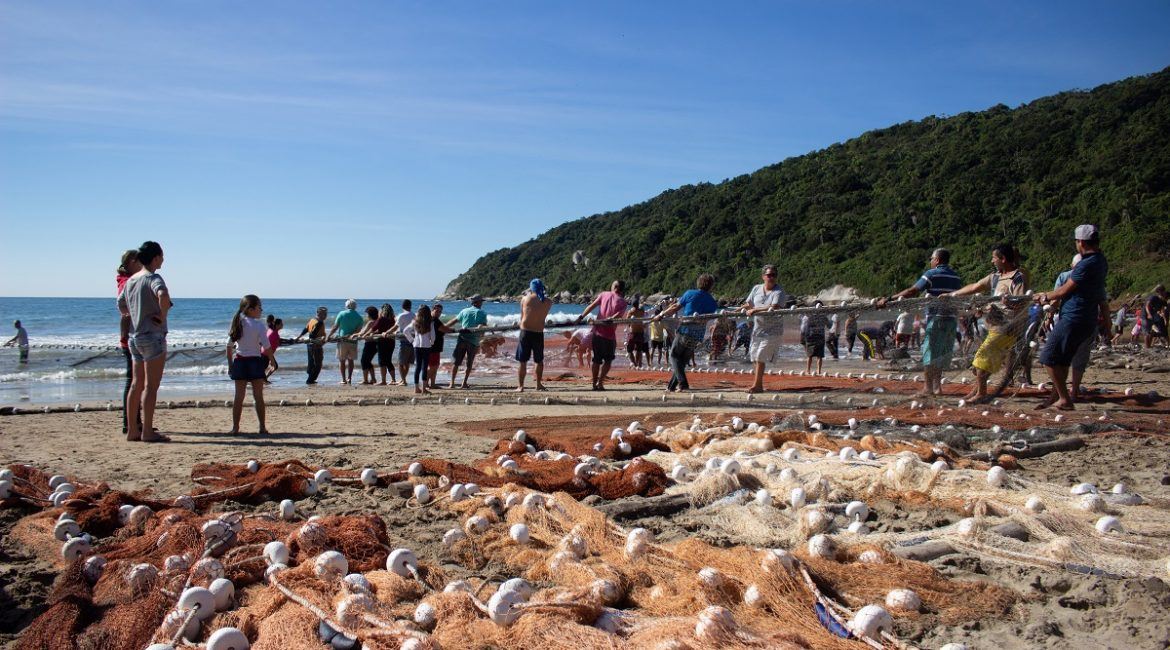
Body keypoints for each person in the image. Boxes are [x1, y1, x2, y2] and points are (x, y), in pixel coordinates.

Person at [1034, 225, 1109, 410]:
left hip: (1074, 317)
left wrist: (1044, 296)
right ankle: (1056, 397)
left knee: (1048, 357)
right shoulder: (1101, 261)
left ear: (1081, 242)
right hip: (1087, 319)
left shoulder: (1085, 264)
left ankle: (1064, 399)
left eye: (1076, 242)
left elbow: (1063, 291)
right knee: (1063, 360)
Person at [948, 243, 1030, 403]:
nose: (992, 261)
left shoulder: (1017, 277)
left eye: (994, 258)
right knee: (982, 362)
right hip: (993, 326)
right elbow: (975, 286)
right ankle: (977, 390)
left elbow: (1021, 302)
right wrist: (953, 294)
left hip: (1007, 328)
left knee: (982, 358)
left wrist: (1009, 303)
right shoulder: (995, 277)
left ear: (1003, 259)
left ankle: (981, 394)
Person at [877, 248, 963, 397]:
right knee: (941, 354)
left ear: (937, 260)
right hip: (951, 320)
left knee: (929, 354)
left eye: (931, 259)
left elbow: (913, 291)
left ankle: (928, 388)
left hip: (936, 319)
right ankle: (937, 388)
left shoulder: (931, 274)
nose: (930, 261)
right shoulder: (956, 277)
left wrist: (889, 299)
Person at [117, 241, 171, 443]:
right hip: (152, 336)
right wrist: (162, 315)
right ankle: (147, 431)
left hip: (135, 337)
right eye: (162, 256)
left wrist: (132, 315)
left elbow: (121, 303)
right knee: (151, 386)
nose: (163, 259)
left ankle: (132, 430)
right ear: (155, 258)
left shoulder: (131, 280)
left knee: (136, 384)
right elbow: (163, 294)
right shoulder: (152, 277)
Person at [654, 274, 718, 392]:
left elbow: (675, 307)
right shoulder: (713, 302)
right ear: (711, 286)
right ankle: (671, 387)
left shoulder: (690, 294)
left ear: (699, 283)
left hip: (685, 330)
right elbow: (707, 318)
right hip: (698, 335)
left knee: (674, 355)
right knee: (682, 361)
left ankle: (683, 384)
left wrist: (661, 315)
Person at [227, 295, 272, 434]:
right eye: (259, 307)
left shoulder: (238, 323)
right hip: (254, 362)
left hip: (240, 361)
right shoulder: (259, 325)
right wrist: (272, 360)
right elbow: (267, 346)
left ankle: (235, 427)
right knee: (258, 396)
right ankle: (262, 427)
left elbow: (228, 346)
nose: (261, 310)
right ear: (250, 309)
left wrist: (230, 364)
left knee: (238, 397)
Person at [742, 264, 787, 393]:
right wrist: (738, 310)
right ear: (763, 276)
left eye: (774, 275)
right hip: (758, 329)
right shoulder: (756, 288)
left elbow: (774, 306)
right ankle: (757, 383)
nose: (771, 277)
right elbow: (749, 304)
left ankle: (757, 386)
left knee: (760, 355)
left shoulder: (779, 291)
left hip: (773, 330)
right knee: (754, 356)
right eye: (769, 275)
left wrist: (755, 310)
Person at [577, 280, 628, 391]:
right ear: (622, 289)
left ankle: (594, 384)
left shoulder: (604, 294)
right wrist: (611, 318)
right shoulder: (623, 302)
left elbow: (591, 306)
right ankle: (600, 383)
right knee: (608, 361)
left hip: (597, 334)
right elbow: (618, 315)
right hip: (609, 336)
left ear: (615, 287)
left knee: (596, 360)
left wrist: (581, 317)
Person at [116, 250, 142, 434]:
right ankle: (130, 423)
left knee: (136, 381)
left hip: (131, 336)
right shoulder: (127, 282)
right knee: (133, 381)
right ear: (133, 262)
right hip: (132, 338)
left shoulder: (127, 281)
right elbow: (125, 311)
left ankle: (136, 421)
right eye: (140, 262)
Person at [517, 279, 554, 391]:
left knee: (523, 361)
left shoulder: (525, 299)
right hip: (538, 332)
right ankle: (538, 384)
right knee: (539, 360)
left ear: (531, 288)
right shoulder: (548, 302)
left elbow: (522, 317)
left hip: (526, 332)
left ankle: (521, 386)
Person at [449, 295, 487, 389]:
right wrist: (482, 337)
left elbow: (454, 320)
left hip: (462, 338)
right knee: (469, 363)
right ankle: (464, 383)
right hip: (473, 341)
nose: (482, 303)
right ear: (478, 302)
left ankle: (452, 383)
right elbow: (482, 327)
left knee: (456, 362)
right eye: (481, 302)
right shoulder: (482, 313)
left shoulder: (464, 311)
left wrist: (444, 327)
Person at [326, 299, 364, 385]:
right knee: (351, 360)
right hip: (353, 340)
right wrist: (352, 335)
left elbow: (335, 326)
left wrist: (329, 336)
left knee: (342, 360)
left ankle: (343, 379)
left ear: (346, 306)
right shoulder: (359, 317)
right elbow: (358, 330)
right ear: (355, 306)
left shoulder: (342, 313)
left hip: (342, 340)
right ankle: (349, 378)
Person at [403, 305, 436, 394]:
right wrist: (432, 342)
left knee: (418, 367)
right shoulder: (430, 323)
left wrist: (412, 340)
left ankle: (416, 388)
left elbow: (405, 331)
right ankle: (424, 389)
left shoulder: (415, 322)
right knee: (424, 367)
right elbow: (433, 336)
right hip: (426, 346)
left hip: (416, 346)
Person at [295, 306, 328, 385]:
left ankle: (311, 378)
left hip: (310, 345)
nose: (325, 316)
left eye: (326, 314)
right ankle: (310, 380)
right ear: (318, 313)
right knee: (318, 364)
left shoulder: (312, 320)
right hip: (316, 345)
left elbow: (306, 329)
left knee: (311, 362)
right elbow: (313, 335)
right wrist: (322, 338)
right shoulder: (320, 322)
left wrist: (299, 337)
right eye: (324, 314)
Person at [800, 301, 828, 374]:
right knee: (820, 356)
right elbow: (829, 325)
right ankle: (819, 371)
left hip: (811, 338)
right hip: (820, 337)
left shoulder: (809, 317)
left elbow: (805, 328)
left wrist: (804, 337)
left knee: (809, 356)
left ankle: (808, 370)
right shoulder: (823, 317)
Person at [372, 304, 397, 385]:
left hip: (382, 342)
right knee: (388, 361)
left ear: (382, 311)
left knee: (382, 361)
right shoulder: (393, 320)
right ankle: (393, 380)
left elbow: (373, 328)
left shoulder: (381, 319)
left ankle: (383, 381)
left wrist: (366, 333)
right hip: (391, 342)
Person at [356, 306, 381, 385]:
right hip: (376, 344)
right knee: (368, 361)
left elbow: (363, 332)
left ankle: (365, 380)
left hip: (369, 344)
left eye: (367, 314)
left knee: (363, 361)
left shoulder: (371, 322)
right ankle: (373, 379)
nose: (366, 315)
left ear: (370, 314)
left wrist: (354, 335)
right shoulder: (378, 321)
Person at [395, 299, 414, 386]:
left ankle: (403, 380)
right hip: (412, 340)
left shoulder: (402, 315)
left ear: (402, 306)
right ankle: (403, 379)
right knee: (407, 362)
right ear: (410, 306)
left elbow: (396, 327)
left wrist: (386, 332)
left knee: (400, 362)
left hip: (403, 340)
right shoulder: (414, 315)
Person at [625, 299, 649, 368]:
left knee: (629, 350)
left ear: (632, 304)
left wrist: (630, 325)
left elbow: (627, 321)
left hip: (633, 332)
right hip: (640, 332)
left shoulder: (631, 311)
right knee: (639, 349)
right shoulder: (642, 311)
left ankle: (635, 364)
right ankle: (637, 364)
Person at [264, 315, 283, 381]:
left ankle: (264, 379)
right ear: (277, 325)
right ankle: (262, 379)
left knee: (274, 366)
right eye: (281, 324)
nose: (282, 325)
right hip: (266, 353)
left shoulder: (270, 330)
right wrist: (291, 341)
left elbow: (278, 341)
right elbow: (279, 341)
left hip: (267, 352)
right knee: (263, 368)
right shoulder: (274, 333)